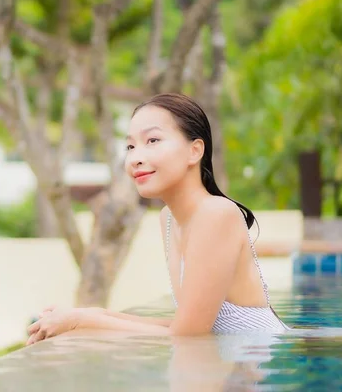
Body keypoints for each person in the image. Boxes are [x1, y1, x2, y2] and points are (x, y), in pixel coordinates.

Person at [27, 93, 289, 346]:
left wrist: (81, 321)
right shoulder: (168, 219)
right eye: (130, 146)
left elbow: (188, 336)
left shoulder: (216, 213)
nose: (136, 158)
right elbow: (184, 324)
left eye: (152, 140)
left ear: (194, 151)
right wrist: (86, 315)